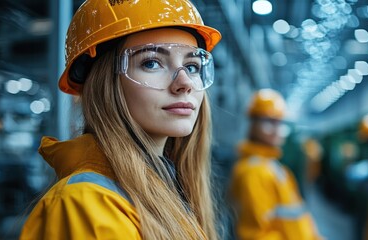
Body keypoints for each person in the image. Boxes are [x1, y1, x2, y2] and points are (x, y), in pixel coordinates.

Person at [19, 0, 221, 239]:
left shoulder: (164, 190)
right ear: (104, 83)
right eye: (151, 63)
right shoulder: (86, 205)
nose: (185, 83)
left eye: (193, 66)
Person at [228, 88, 322, 240]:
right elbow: (257, 235)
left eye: (280, 123)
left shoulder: (274, 167)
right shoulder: (253, 172)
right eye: (270, 121)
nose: (277, 130)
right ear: (253, 124)